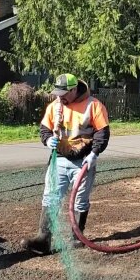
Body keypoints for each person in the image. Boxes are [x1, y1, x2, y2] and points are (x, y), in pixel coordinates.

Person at [21, 73, 110, 255]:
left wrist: (94, 153)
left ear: (74, 89)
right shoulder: (55, 106)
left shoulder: (93, 106)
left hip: (83, 162)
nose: (59, 97)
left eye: (63, 93)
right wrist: (47, 141)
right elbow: (45, 129)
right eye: (57, 93)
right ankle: (43, 239)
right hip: (59, 160)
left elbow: (102, 132)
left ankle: (77, 237)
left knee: (80, 201)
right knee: (50, 197)